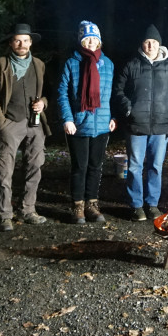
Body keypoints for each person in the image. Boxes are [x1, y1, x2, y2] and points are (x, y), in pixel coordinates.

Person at [0, 23, 51, 231]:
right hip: (10, 123)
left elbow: (46, 94)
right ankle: (4, 214)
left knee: (35, 166)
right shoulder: (0, 64)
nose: (21, 44)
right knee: (4, 169)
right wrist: (2, 124)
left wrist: (43, 102)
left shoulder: (39, 65)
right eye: (17, 40)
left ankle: (28, 210)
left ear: (31, 42)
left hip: (35, 124)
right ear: (11, 43)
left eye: (25, 40)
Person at [114, 24, 168, 221]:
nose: (150, 45)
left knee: (156, 166)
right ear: (142, 44)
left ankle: (152, 204)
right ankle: (136, 206)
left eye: (154, 42)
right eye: (147, 42)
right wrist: (127, 107)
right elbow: (118, 90)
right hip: (136, 125)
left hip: (161, 126)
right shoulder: (132, 65)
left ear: (160, 45)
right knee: (134, 166)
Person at [58, 21, 116, 225]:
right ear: (81, 40)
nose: (91, 42)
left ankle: (92, 204)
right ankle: (78, 206)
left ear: (99, 41)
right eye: (87, 38)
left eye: (95, 38)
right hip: (79, 123)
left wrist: (112, 117)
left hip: (101, 125)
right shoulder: (72, 62)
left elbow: (109, 95)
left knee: (95, 166)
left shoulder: (107, 64)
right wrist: (67, 118)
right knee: (79, 166)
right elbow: (63, 93)